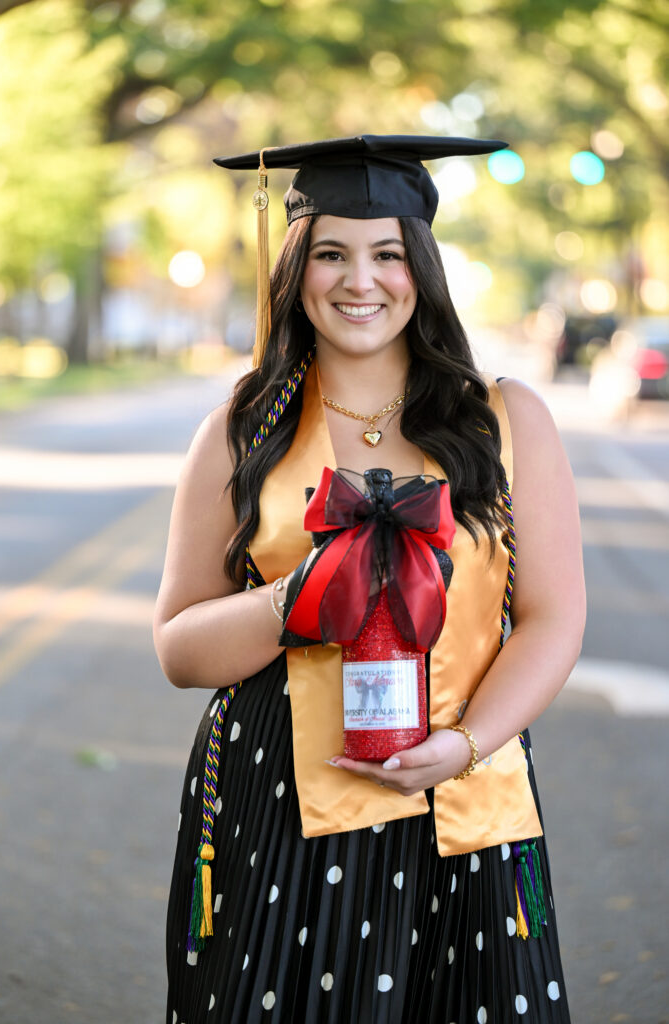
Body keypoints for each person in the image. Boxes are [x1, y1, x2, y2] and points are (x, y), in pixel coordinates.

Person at [154, 135, 585, 1024]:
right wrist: (298, 596)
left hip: (465, 792)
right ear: (295, 269)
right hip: (279, 797)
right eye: (331, 254)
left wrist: (464, 747)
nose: (361, 280)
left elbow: (551, 620)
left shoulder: (503, 421)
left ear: (419, 267)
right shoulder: (241, 434)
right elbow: (179, 648)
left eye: (387, 253)